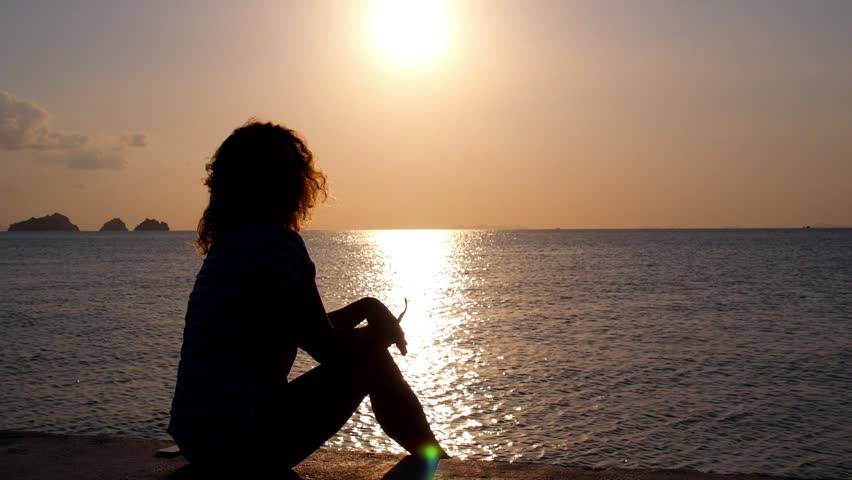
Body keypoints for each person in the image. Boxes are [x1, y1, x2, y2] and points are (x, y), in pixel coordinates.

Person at [167, 120, 448, 471]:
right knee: (373, 359)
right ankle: (436, 460)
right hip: (240, 446)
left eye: (290, 170)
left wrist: (367, 307)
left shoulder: (230, 245)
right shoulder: (278, 244)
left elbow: (294, 324)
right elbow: (325, 347)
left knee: (369, 352)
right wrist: (378, 336)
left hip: (196, 440)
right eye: (279, 171)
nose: (290, 180)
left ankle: (434, 457)